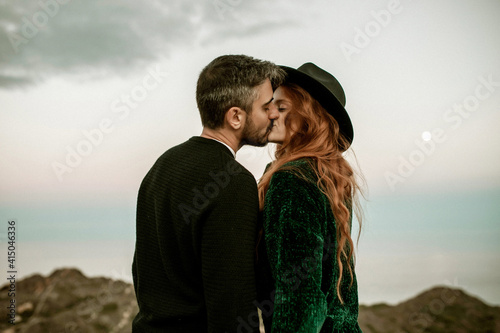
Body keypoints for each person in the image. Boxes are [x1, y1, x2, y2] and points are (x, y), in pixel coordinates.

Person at [132, 54, 285, 332]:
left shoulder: (162, 166)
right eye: (266, 107)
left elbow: (142, 273)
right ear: (236, 116)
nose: (274, 114)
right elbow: (234, 309)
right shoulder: (234, 183)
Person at [257, 63, 364, 332]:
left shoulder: (292, 179)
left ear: (307, 119)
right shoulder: (330, 177)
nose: (269, 113)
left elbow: (301, 299)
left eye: (281, 107)